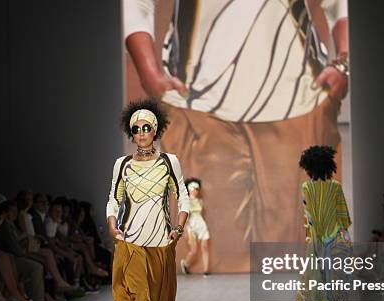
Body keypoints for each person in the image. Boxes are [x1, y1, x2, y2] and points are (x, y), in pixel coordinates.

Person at [124, 0, 349, 272]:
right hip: (196, 101)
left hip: (296, 96)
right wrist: (149, 73)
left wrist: (344, 62)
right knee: (214, 256)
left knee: (289, 259)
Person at [107, 98, 189, 301]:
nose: (141, 133)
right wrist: (112, 224)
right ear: (131, 133)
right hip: (130, 243)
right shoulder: (122, 165)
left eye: (146, 127)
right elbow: (114, 199)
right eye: (136, 128)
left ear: (156, 130)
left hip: (160, 243)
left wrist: (178, 229)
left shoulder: (169, 162)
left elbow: (183, 197)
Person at [295, 145, 351, 301]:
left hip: (315, 234)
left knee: (317, 270)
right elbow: (342, 212)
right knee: (332, 271)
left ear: (309, 168)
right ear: (328, 165)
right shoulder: (335, 186)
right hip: (334, 233)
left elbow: (308, 214)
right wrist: (343, 232)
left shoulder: (306, 187)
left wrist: (310, 234)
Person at [180, 178, 210, 275]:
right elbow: (184, 216)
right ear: (189, 189)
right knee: (193, 250)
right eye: (193, 188)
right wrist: (185, 229)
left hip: (201, 224)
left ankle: (206, 271)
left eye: (197, 189)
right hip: (191, 226)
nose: (195, 190)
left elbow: (200, 214)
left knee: (205, 247)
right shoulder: (186, 201)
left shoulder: (200, 201)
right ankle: (185, 263)